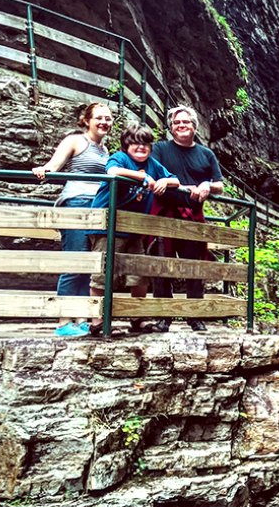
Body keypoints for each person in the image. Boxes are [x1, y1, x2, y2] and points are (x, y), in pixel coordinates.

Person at [86, 123, 179, 336]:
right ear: (127, 145)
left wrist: (164, 180)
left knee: (139, 274)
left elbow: (176, 180)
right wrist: (143, 177)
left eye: (145, 144)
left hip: (135, 228)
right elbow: (112, 171)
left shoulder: (153, 164)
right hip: (108, 226)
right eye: (135, 143)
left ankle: (138, 317)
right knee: (103, 272)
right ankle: (98, 320)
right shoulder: (120, 158)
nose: (141, 148)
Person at [32, 102, 111, 337]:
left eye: (108, 118)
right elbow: (55, 164)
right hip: (76, 203)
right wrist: (44, 169)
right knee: (74, 261)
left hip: (97, 207)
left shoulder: (104, 150)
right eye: (99, 118)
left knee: (88, 265)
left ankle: (79, 318)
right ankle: (63, 321)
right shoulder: (76, 140)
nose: (104, 122)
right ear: (86, 120)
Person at [150, 105, 223, 332]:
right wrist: (185, 186)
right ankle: (164, 316)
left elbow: (219, 185)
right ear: (171, 128)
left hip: (193, 216)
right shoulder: (160, 149)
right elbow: (154, 177)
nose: (181, 125)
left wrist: (207, 185)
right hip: (165, 212)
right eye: (176, 123)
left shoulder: (206, 154)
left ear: (194, 126)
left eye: (186, 122)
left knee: (194, 266)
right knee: (163, 264)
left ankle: (194, 315)